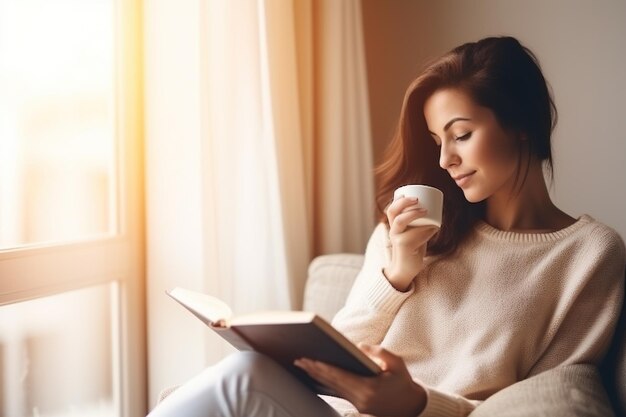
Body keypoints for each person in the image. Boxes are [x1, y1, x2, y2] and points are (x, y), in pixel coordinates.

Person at [148, 36, 625, 417]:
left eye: (461, 134)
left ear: (522, 123)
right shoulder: (413, 228)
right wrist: (396, 275)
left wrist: (416, 404)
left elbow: (541, 402)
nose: (445, 159)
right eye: (438, 140)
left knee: (241, 378)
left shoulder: (589, 254)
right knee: (245, 372)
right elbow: (340, 353)